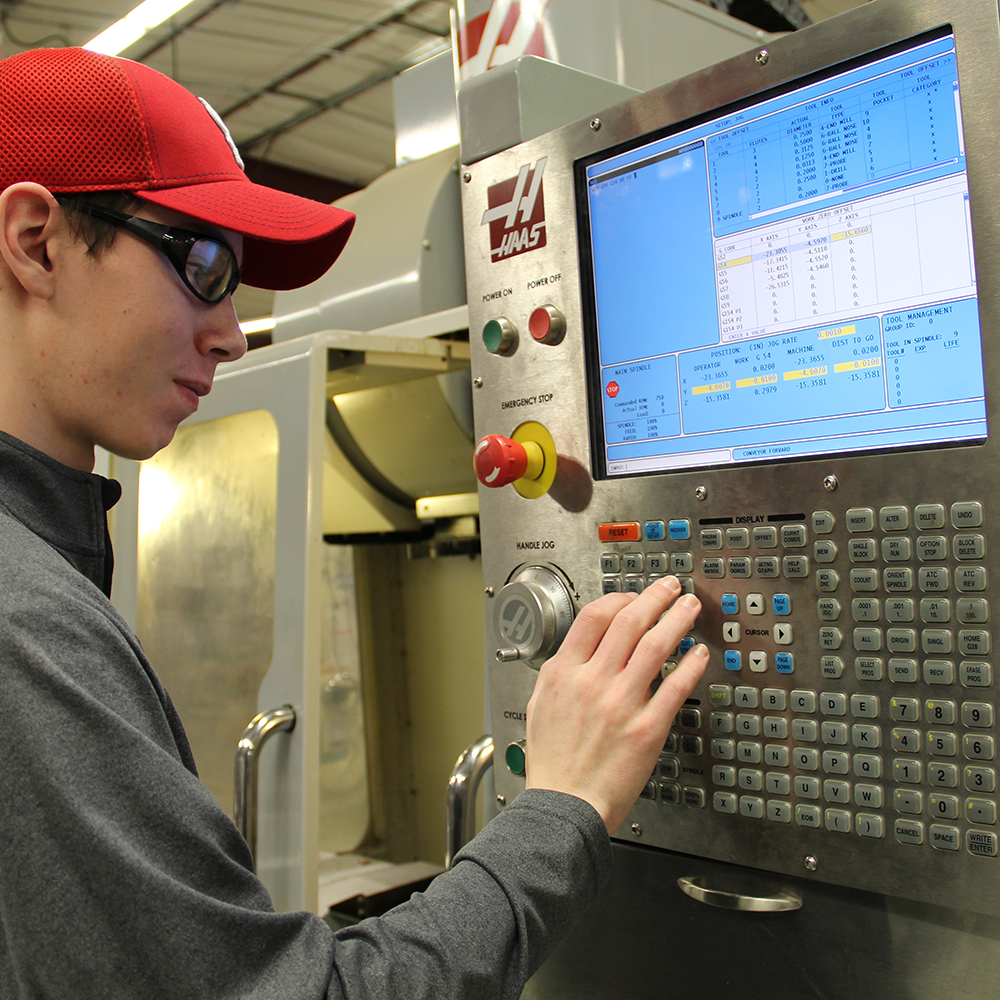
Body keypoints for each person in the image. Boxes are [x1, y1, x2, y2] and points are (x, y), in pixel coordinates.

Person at [0, 46, 708, 1000]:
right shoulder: (27, 625)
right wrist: (566, 801)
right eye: (204, 264)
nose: (231, 331)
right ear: (37, 240)